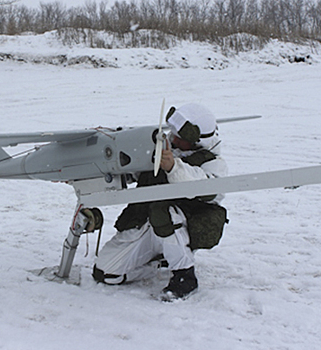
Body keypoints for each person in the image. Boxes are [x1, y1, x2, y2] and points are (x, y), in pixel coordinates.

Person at [92, 103, 229, 301]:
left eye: (179, 138)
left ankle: (184, 276)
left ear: (195, 141)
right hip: (147, 224)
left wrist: (174, 167)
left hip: (179, 228)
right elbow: (130, 173)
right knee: (106, 274)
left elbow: (208, 189)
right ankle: (159, 263)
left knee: (165, 211)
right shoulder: (162, 148)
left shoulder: (213, 163)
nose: (172, 139)